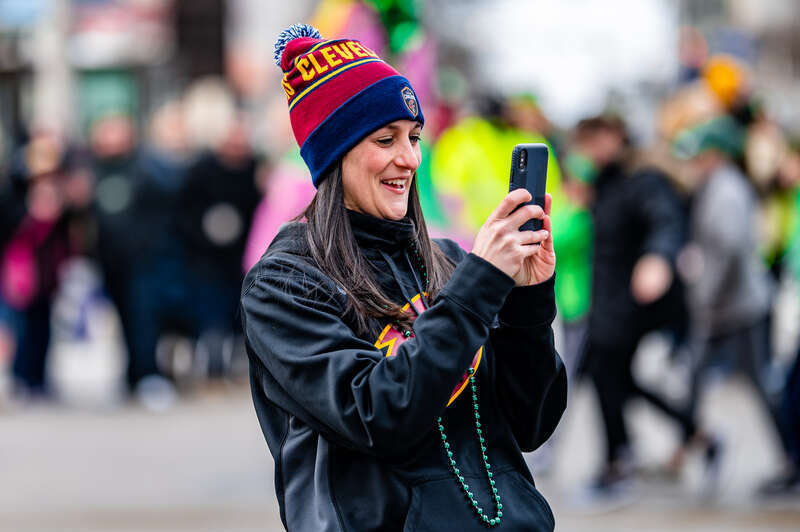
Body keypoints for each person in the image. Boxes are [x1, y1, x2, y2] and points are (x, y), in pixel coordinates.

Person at [240, 25, 566, 531]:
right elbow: (376, 414)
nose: (410, 158)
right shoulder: (284, 283)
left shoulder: (448, 263)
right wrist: (477, 287)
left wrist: (527, 302)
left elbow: (531, 424)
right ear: (336, 151)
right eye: (385, 139)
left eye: (414, 138)